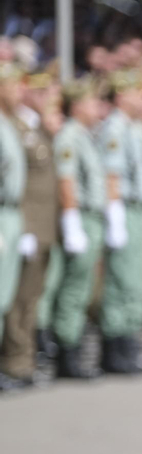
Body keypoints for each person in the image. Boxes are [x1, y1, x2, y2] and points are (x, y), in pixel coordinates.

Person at [45, 79, 112, 379]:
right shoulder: (71, 135)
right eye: (90, 101)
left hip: (92, 217)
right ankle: (66, 351)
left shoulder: (85, 135)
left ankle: (72, 346)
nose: (96, 107)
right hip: (81, 216)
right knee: (73, 287)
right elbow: (66, 180)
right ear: (77, 104)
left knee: (83, 286)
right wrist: (72, 223)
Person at [0, 74, 61, 387]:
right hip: (19, 221)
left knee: (29, 297)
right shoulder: (14, 127)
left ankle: (22, 360)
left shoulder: (33, 128)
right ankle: (14, 361)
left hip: (37, 224)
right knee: (13, 298)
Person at [97, 74, 142, 374]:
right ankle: (114, 346)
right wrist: (115, 217)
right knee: (122, 280)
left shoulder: (135, 128)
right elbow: (112, 176)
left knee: (137, 280)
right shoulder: (116, 128)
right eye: (136, 92)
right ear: (121, 96)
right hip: (127, 209)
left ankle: (129, 341)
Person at [0, 65, 25, 391]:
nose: (20, 91)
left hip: (12, 213)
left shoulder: (10, 123)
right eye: (13, 86)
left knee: (5, 295)